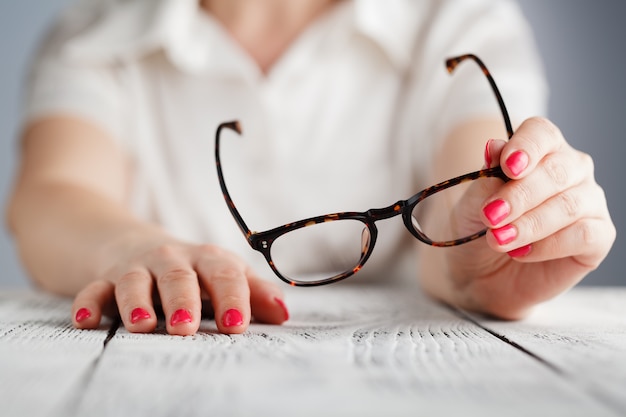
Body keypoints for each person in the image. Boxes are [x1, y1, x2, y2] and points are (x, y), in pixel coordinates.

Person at [6, 0, 615, 336]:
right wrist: (131, 248)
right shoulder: (94, 32)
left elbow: (471, 188)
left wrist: (484, 251)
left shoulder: (462, 22)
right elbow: (53, 193)